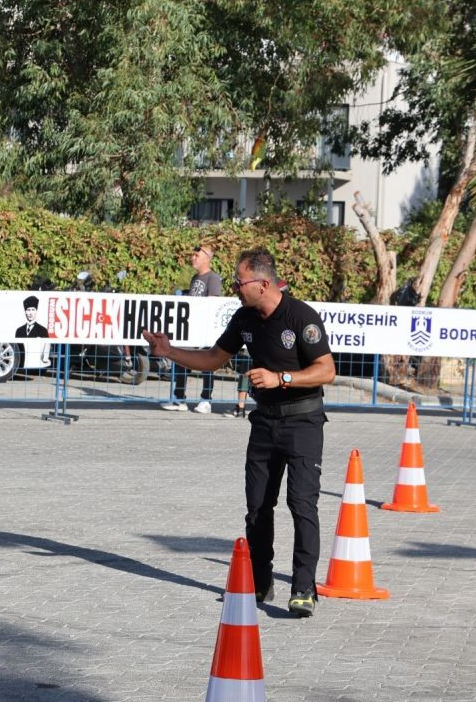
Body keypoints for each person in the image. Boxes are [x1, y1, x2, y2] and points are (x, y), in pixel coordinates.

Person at [142, 249, 334, 617]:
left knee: (301, 504)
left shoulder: (300, 316)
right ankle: (260, 583)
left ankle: (304, 588)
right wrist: (170, 352)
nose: (233, 286)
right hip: (265, 421)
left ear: (262, 283)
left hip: (303, 422)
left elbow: (326, 370)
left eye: (239, 281)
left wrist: (282, 379)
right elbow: (215, 357)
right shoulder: (244, 317)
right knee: (258, 507)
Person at [161, 245, 223, 414]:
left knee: (207, 365)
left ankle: (206, 400)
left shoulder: (213, 278)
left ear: (206, 258)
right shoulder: (196, 278)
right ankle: (179, 398)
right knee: (181, 360)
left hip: (204, 330)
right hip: (191, 328)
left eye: (197, 254)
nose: (193, 257)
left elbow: (212, 303)